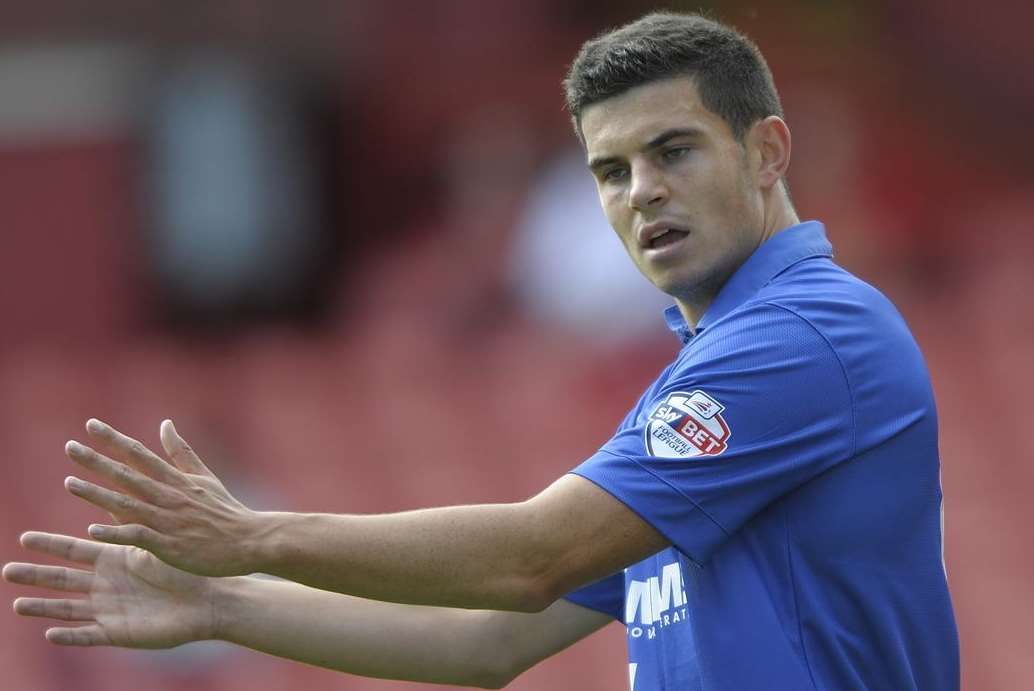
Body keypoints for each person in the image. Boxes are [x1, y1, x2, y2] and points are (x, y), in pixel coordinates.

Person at [3, 12, 959, 691]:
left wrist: (255, 537)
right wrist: (226, 606)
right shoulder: (708, 373)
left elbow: (529, 558)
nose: (642, 193)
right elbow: (488, 642)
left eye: (675, 151)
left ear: (769, 152)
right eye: (611, 170)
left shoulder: (799, 336)